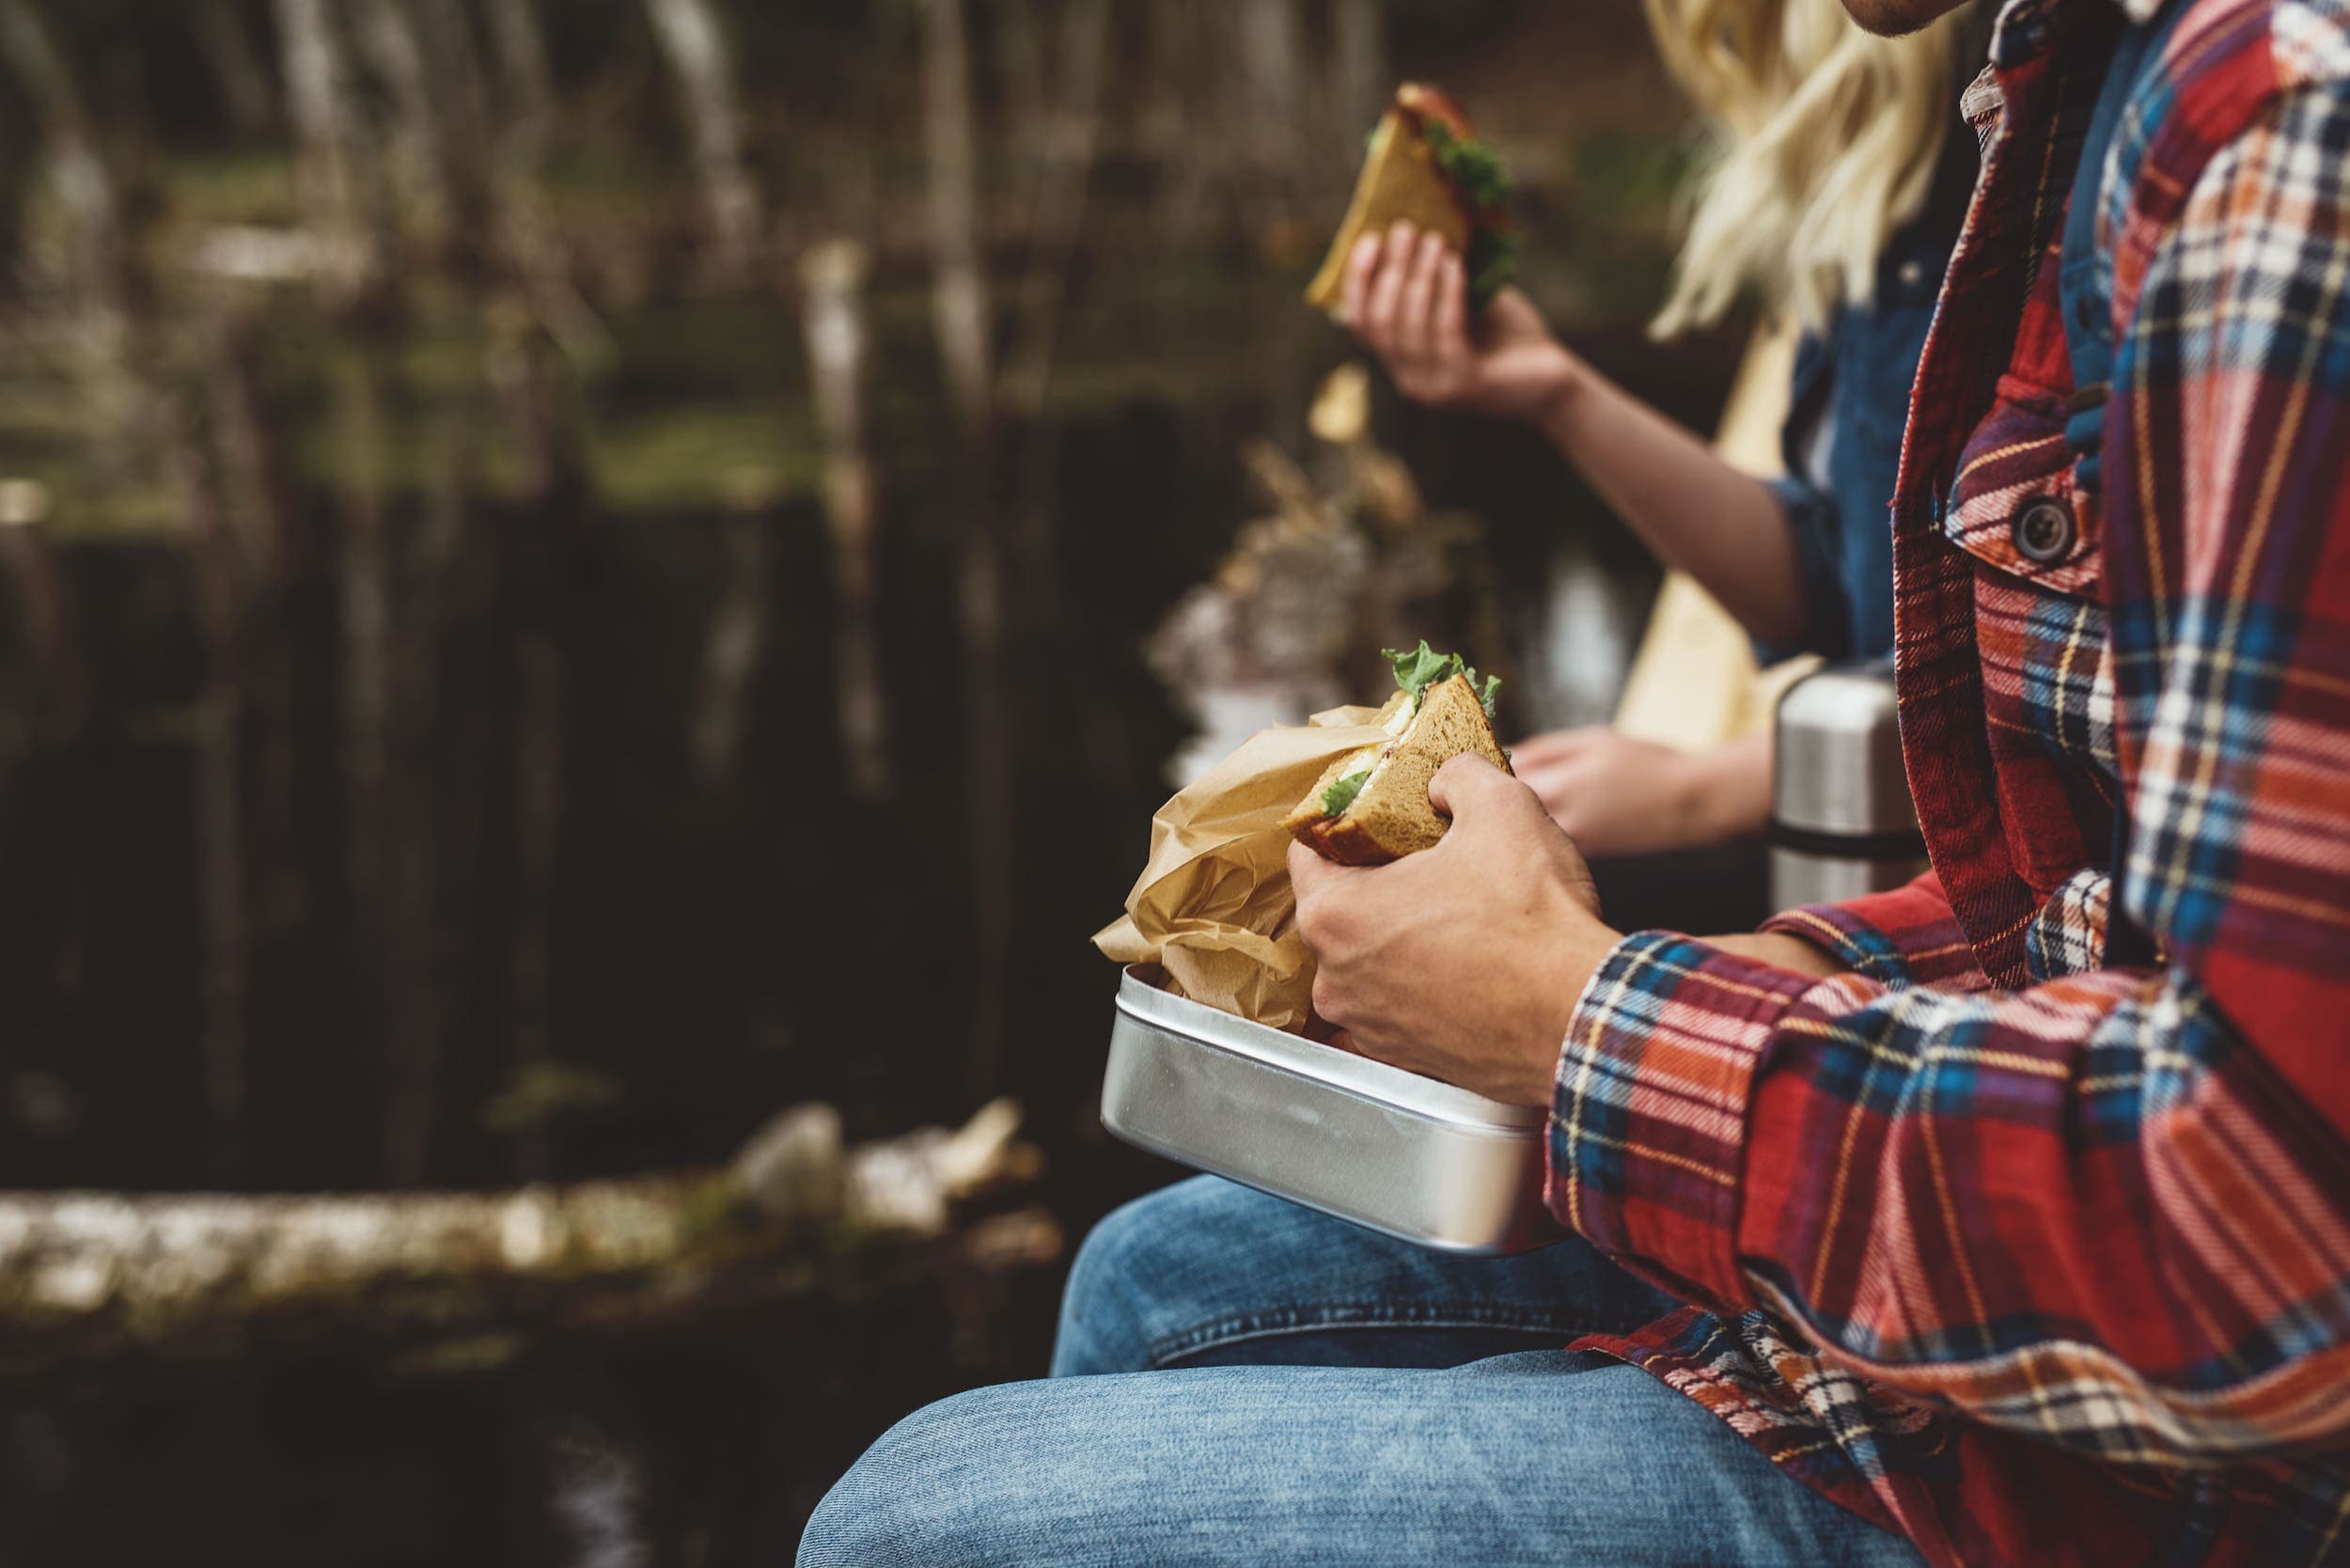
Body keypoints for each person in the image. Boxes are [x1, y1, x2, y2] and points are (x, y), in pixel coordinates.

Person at [800, 0, 2350, 1561]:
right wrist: (1652, 985)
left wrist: (1581, 1015)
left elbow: (2266, 1232)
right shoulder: (2068, 84)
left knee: (912, 1517)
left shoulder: (2273, 136)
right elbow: (2079, 901)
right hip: (2020, 1294)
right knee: (1157, 1279)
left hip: (2149, 1479)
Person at [1352, 0, 1980, 861]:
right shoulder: (1873, 201)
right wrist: (1556, 391)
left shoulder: (2017, 169)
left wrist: (1707, 790)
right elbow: (1840, 587)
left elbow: (2068, 675)